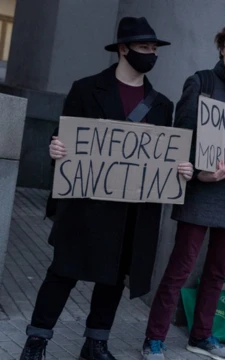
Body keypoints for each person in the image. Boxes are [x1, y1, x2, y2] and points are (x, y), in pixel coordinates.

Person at [18, 17, 189, 360]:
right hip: (85, 206)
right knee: (63, 272)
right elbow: (66, 140)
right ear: (123, 50)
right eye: (144, 48)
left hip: (131, 212)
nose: (151, 55)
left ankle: (95, 343)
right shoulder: (85, 89)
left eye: (154, 50)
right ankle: (36, 341)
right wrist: (57, 150)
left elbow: (162, 158)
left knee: (112, 278)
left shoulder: (162, 105)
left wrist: (179, 170)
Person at [142, 20, 225, 360]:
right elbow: (181, 138)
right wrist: (200, 174)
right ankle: (154, 338)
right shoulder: (201, 81)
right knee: (179, 269)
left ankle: (201, 336)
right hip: (202, 192)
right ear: (221, 49)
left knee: (216, 273)